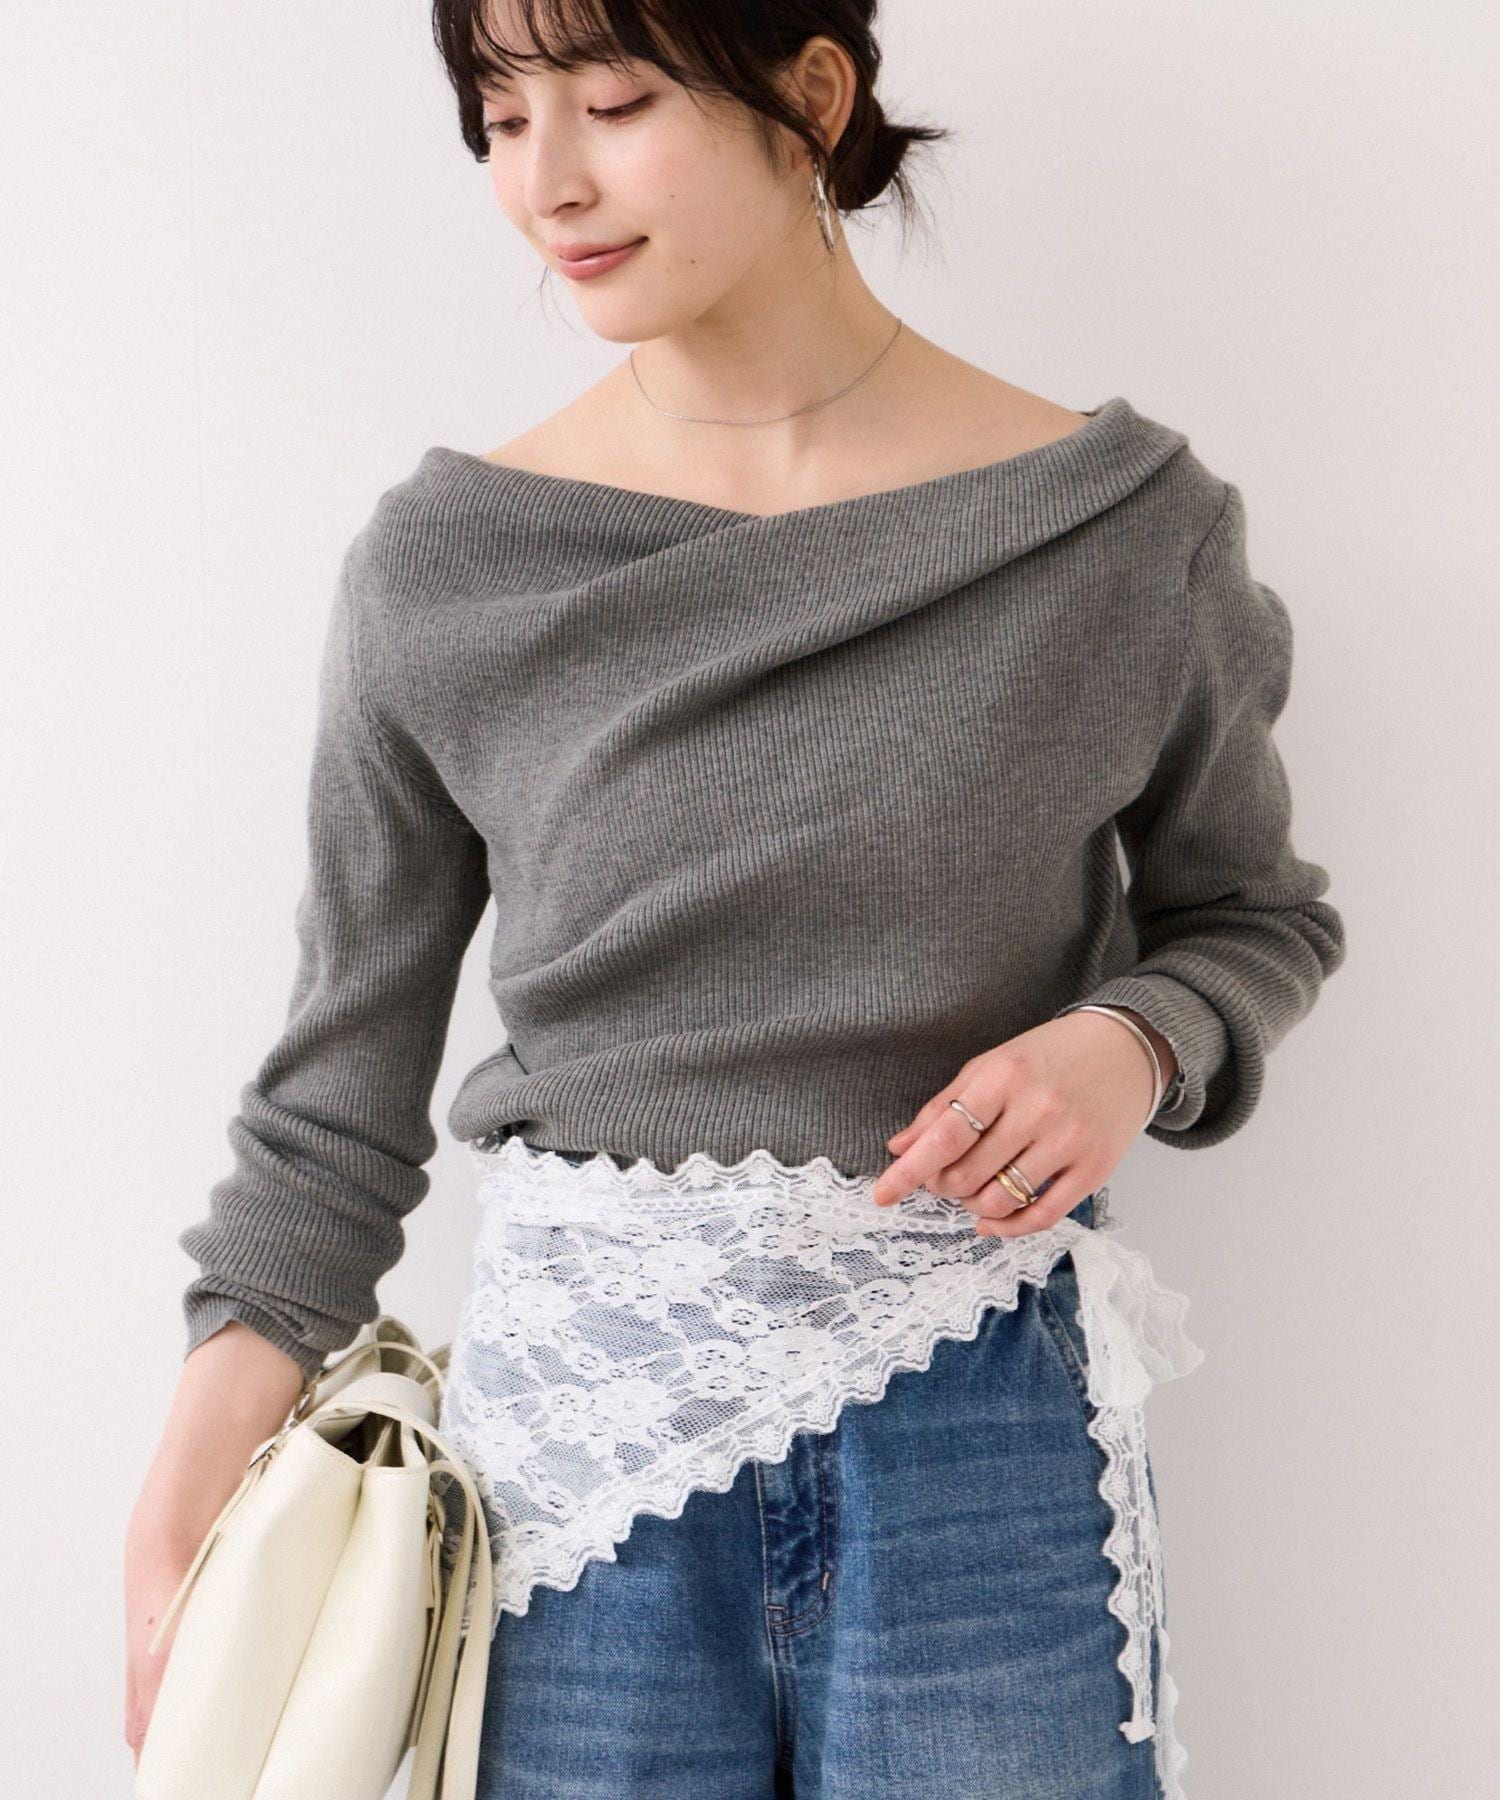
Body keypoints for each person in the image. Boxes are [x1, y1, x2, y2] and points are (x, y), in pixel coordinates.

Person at [125, 2, 1348, 1795]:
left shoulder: (1118, 530)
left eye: (613, 99)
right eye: (500, 116)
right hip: (574, 1485)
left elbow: (1253, 915)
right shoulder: (449, 567)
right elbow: (337, 1094)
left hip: (980, 1438)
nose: (546, 181)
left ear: (813, 92)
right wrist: (180, 1501)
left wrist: (1132, 1044)